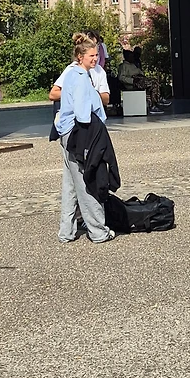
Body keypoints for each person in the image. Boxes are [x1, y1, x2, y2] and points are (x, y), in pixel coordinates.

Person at [51, 33, 115, 243]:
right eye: (91, 56)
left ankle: (66, 231)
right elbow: (82, 114)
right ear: (80, 56)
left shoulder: (71, 73)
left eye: (96, 55)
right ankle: (98, 232)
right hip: (79, 134)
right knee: (87, 182)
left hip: (66, 132)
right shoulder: (79, 77)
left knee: (70, 185)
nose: (95, 59)